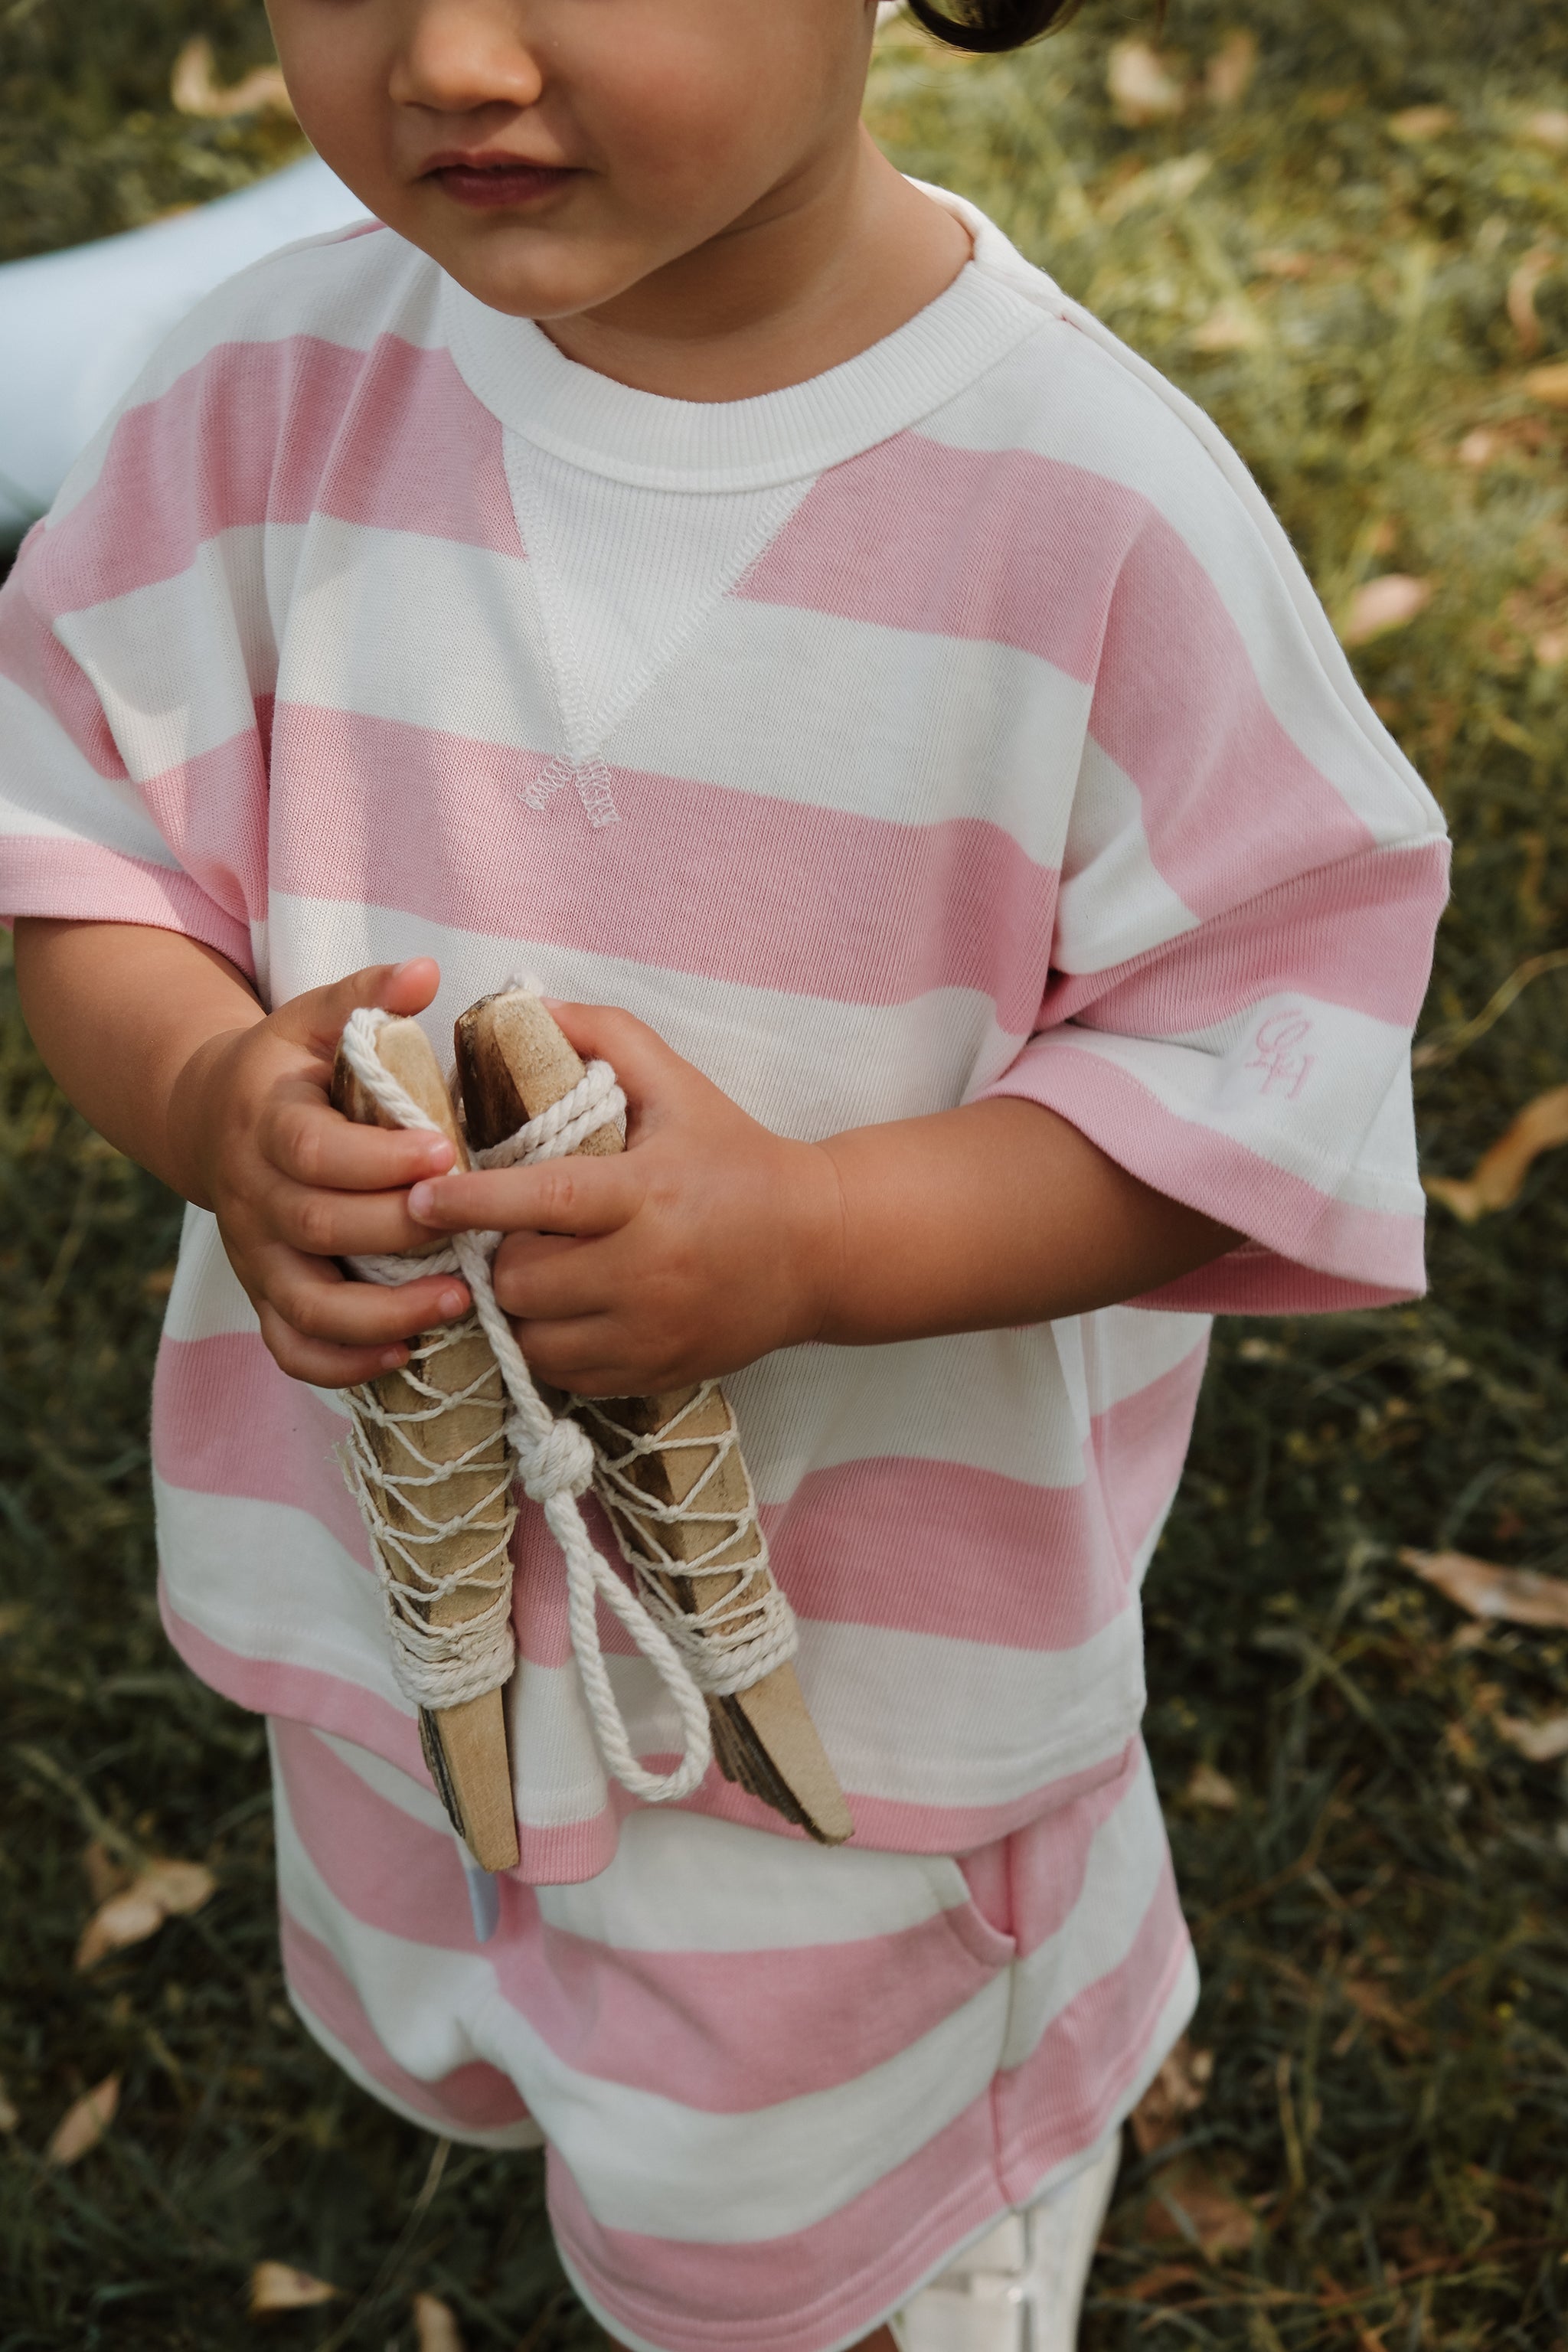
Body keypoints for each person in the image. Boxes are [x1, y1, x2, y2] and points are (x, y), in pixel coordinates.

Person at [0, 2, 1449, 2347]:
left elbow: (1265, 1080)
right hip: (397, 1603)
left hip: (854, 1699)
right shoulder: (253, 401)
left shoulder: (1084, 517)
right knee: (478, 2008)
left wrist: (818, 1242)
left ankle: (960, 2212)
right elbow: (82, 840)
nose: (452, 55)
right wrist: (201, 1102)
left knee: (798, 2214)